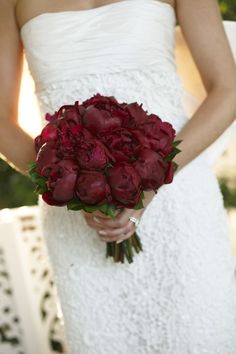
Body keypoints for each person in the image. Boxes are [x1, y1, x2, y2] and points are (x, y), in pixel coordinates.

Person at [1, 0, 236, 353]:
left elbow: (228, 90)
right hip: (76, 216)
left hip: (177, 200)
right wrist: (69, 183)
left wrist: (152, 176)